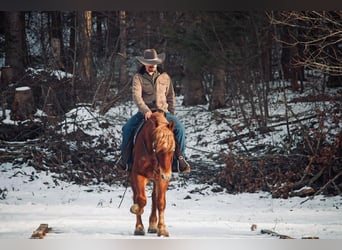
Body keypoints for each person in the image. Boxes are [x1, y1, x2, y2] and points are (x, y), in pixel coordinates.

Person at [117, 48, 191, 173]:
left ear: (157, 63)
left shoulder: (165, 77)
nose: (152, 65)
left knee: (180, 129)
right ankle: (125, 160)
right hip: (145, 113)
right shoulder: (138, 78)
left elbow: (170, 96)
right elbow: (137, 96)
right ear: (144, 63)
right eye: (149, 63)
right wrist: (145, 110)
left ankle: (179, 159)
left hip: (163, 112)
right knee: (127, 128)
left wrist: (170, 114)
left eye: (154, 63)